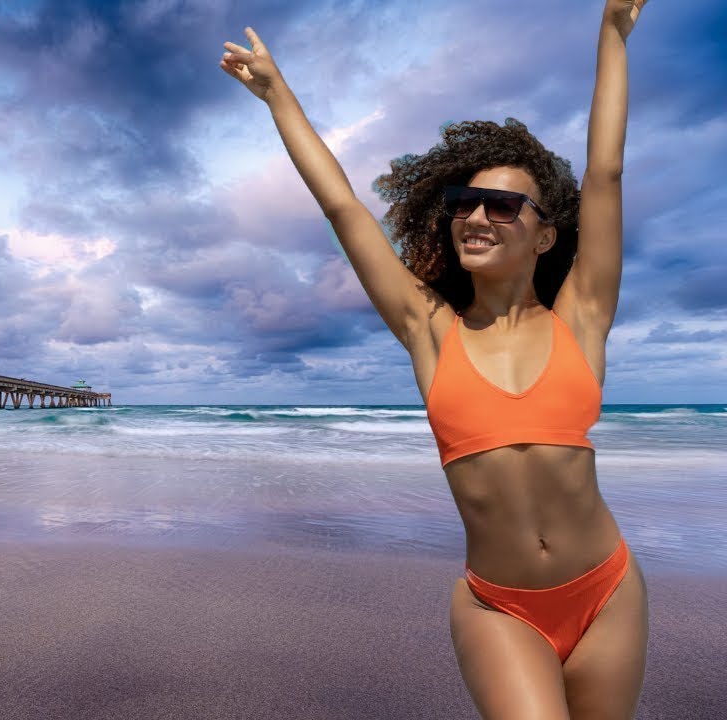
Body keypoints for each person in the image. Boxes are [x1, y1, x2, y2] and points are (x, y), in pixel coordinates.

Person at [221, 1, 648, 717]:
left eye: (504, 207)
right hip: (499, 606)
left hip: (608, 590)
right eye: (464, 201)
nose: (477, 216)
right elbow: (346, 210)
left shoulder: (584, 315)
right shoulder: (430, 329)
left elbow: (604, 173)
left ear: (546, 237)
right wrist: (277, 95)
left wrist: (612, 32)